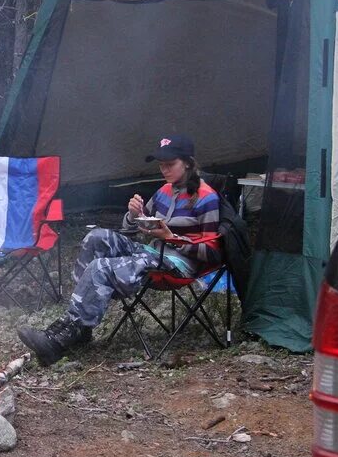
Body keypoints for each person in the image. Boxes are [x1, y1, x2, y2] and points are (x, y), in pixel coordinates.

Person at [18, 135, 221, 366]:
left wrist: (172, 238)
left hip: (179, 264)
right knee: (95, 238)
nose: (164, 169)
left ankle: (60, 339)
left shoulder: (207, 198)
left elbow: (213, 253)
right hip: (152, 252)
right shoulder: (164, 191)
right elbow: (132, 229)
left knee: (100, 267)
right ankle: (81, 327)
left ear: (187, 163)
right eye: (161, 164)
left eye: (170, 164)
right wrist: (133, 215)